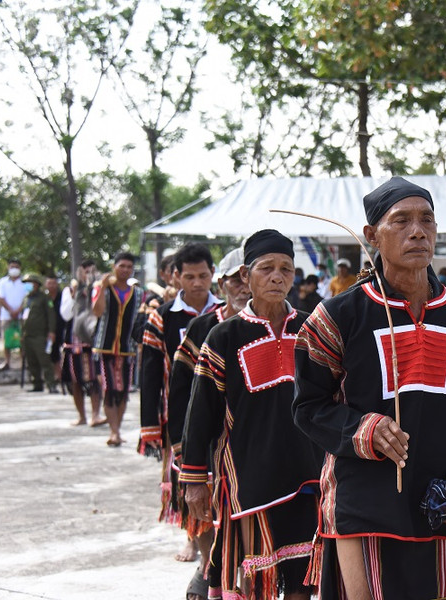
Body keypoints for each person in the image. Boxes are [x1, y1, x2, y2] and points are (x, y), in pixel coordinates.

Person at [293, 177, 446, 599]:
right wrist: (362, 429)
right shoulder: (338, 315)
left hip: (441, 500)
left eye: (427, 220)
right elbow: (308, 406)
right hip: (364, 499)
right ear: (372, 235)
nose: (417, 231)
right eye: (402, 221)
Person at [182, 230, 321, 599]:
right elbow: (201, 413)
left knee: (302, 577)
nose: (277, 277)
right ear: (246, 275)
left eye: (286, 269)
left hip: (306, 474)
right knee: (252, 578)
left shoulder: (311, 329)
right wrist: (195, 478)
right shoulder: (224, 336)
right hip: (247, 477)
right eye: (267, 268)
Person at [168, 247, 250, 599]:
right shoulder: (205, 327)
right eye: (237, 279)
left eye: (251, 276)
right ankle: (208, 565)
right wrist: (184, 450)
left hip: (254, 443)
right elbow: (181, 391)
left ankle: (233, 579)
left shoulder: (290, 324)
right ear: (224, 283)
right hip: (208, 438)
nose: (244, 286)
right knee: (201, 509)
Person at [139, 242, 220, 570]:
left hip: (219, 411)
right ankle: (200, 550)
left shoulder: (226, 311)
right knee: (186, 482)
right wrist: (150, 427)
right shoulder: (163, 316)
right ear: (176, 277)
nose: (197, 283)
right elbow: (149, 372)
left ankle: (217, 553)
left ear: (213, 274)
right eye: (189, 276)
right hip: (180, 410)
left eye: (203, 275)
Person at [91, 252, 143, 447]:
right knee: (109, 389)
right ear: (114, 266)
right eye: (122, 266)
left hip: (127, 349)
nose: (125, 270)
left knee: (122, 392)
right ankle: (114, 431)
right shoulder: (103, 288)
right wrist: (103, 287)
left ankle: (117, 429)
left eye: (129, 267)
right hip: (104, 347)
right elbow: (97, 311)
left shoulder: (137, 293)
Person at [60, 260, 105, 427]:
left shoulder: (99, 289)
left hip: (92, 342)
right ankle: (81, 416)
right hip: (73, 343)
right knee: (75, 381)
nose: (88, 275)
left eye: (90, 272)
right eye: (85, 272)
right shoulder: (69, 290)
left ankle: (95, 415)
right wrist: (76, 294)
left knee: (94, 380)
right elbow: (65, 315)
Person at [20, 273, 58, 393]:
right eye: (26, 283)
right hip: (27, 335)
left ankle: (51, 384)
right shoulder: (26, 298)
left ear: (36, 284)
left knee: (44, 360)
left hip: (40, 335)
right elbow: (23, 317)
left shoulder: (44, 298)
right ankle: (37, 384)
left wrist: (52, 331)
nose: (28, 285)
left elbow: (51, 316)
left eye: (30, 283)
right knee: (31, 362)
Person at [0, 258, 28, 371]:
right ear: (8, 268)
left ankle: (23, 362)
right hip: (6, 316)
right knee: (7, 339)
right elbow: (0, 297)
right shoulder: (2, 282)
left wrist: (19, 310)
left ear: (20, 268)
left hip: (22, 316)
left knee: (22, 339)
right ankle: (7, 362)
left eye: (16, 267)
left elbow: (27, 298)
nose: (14, 269)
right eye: (12, 267)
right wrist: (10, 310)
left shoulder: (25, 282)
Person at [45, 275, 65, 382]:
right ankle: (57, 375)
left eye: (53, 283)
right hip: (50, 331)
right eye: (49, 283)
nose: (51, 286)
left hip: (63, 328)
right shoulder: (45, 299)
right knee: (53, 354)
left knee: (64, 352)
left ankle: (65, 374)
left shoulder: (63, 296)